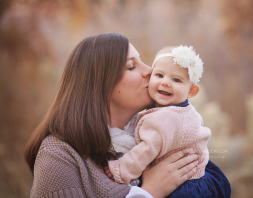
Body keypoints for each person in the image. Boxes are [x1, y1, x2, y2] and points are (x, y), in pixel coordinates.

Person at [24, 33, 200, 198]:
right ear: (100, 84)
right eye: (132, 66)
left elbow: (218, 181)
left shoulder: (155, 134)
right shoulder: (58, 155)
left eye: (143, 62)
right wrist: (149, 192)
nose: (150, 71)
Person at [106, 46, 229, 198]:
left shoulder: (164, 120)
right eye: (159, 75)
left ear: (191, 91)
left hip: (184, 188)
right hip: (200, 179)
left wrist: (121, 169)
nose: (165, 82)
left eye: (176, 80)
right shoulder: (185, 111)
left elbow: (146, 150)